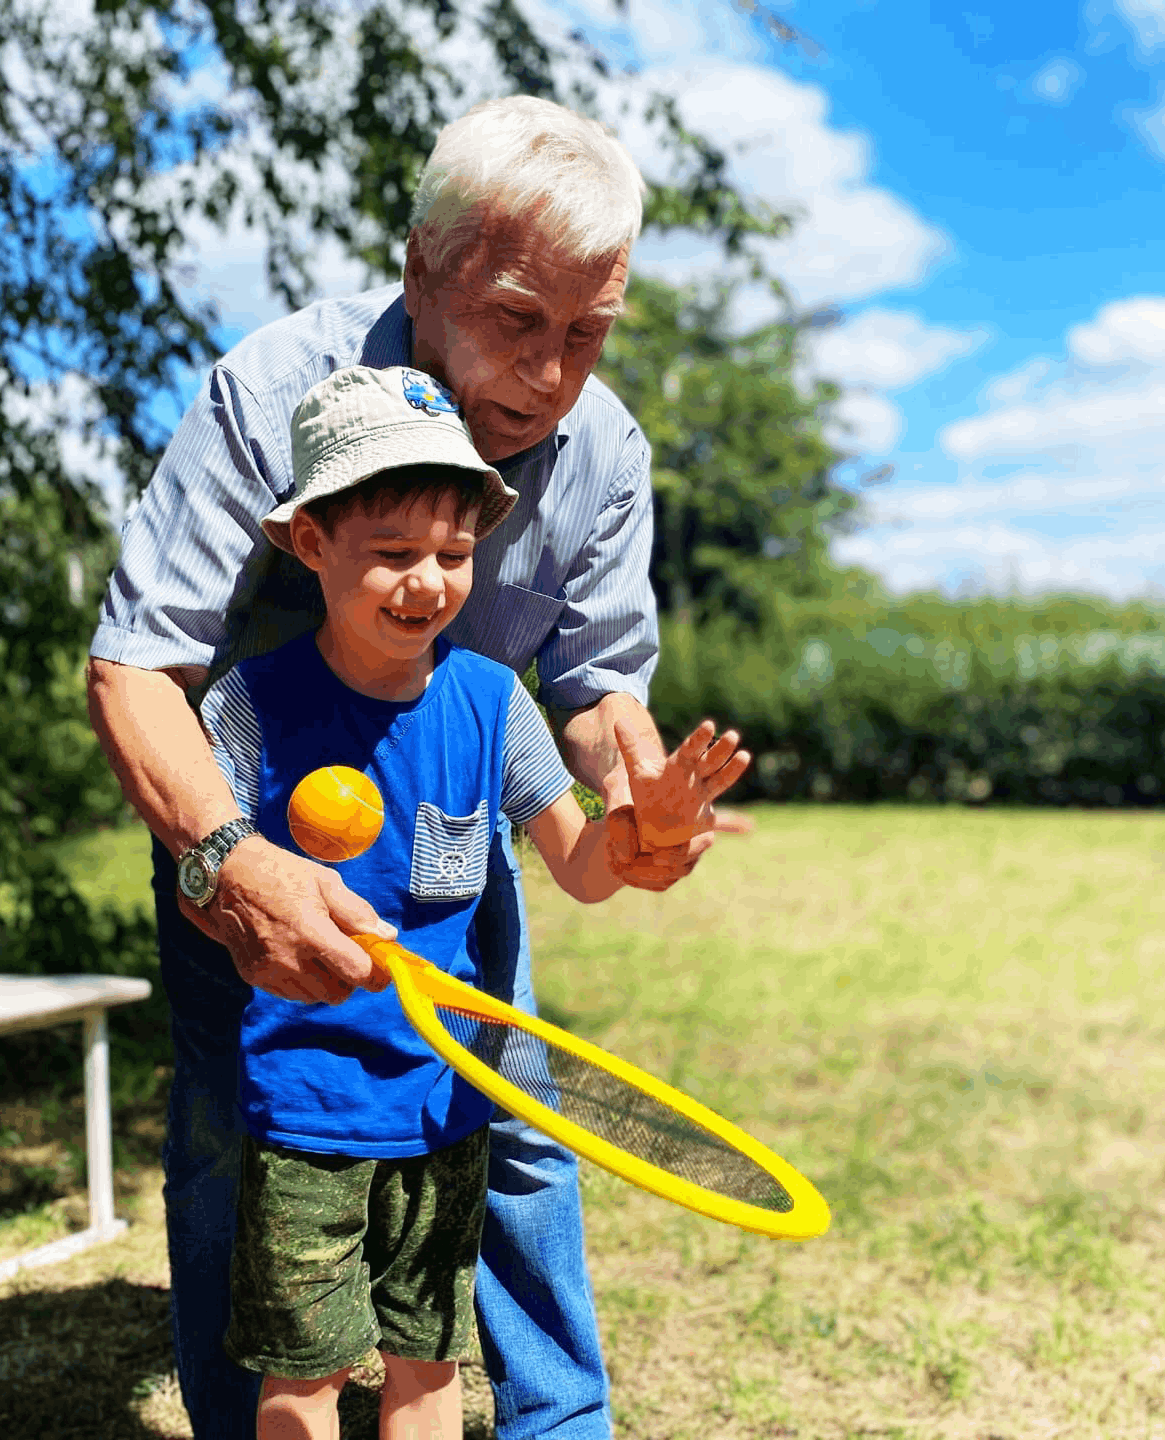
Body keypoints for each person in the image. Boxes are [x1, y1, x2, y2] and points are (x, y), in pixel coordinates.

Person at [86, 94, 748, 1438]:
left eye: (588, 333)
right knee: (234, 1130)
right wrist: (227, 862)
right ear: (423, 271)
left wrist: (637, 813)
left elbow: (596, 692)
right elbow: (137, 669)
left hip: (454, 838)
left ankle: (557, 1422)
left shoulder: (605, 451)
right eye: (519, 319)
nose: (556, 373)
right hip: (245, 827)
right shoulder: (273, 393)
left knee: (509, 1129)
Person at [210, 364, 717, 1438]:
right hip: (305, 1110)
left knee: (429, 1371)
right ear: (311, 544)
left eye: (451, 555)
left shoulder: (494, 702)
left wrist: (636, 839)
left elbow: (579, 865)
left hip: (446, 1106)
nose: (428, 583)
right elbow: (208, 882)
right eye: (392, 554)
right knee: (300, 1380)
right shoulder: (251, 703)